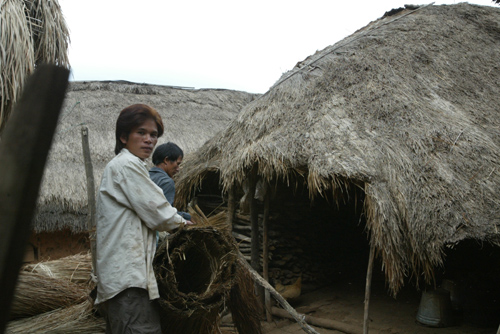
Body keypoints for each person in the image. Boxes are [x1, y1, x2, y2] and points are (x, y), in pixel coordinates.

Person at [94, 104, 193, 334]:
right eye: (141, 132)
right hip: (129, 280)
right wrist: (183, 224)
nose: (149, 140)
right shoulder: (127, 165)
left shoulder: (129, 165)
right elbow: (158, 211)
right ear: (123, 136)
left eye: (154, 135)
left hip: (125, 277)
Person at [149, 142, 191, 220]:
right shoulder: (167, 182)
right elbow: (165, 214)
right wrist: (187, 217)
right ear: (166, 160)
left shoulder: (146, 176)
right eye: (177, 164)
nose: (178, 169)